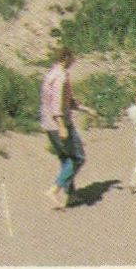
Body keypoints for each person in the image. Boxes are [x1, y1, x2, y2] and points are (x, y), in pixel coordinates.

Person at [39, 48, 95, 210]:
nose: (74, 61)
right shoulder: (61, 77)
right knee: (78, 158)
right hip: (59, 124)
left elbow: (65, 101)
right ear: (66, 58)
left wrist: (84, 109)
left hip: (48, 124)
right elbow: (57, 104)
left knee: (66, 159)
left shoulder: (50, 74)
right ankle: (54, 189)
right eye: (72, 58)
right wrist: (62, 126)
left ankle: (71, 195)